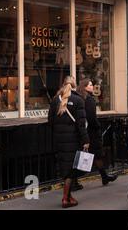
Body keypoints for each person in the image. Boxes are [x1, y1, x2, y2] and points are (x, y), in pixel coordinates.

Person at [48, 76, 89, 208]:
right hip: (73, 140)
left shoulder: (55, 100)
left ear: (63, 84)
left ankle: (69, 196)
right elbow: (81, 125)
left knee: (65, 168)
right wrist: (86, 140)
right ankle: (65, 198)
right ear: (74, 85)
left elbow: (50, 121)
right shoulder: (78, 100)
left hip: (59, 140)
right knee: (71, 170)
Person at [75, 79, 117, 189]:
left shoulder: (78, 97)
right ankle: (73, 181)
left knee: (94, 155)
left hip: (82, 131)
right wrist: (97, 126)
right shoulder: (88, 99)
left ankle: (104, 176)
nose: (92, 86)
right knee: (94, 154)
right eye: (90, 85)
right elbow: (91, 117)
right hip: (91, 132)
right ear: (84, 87)